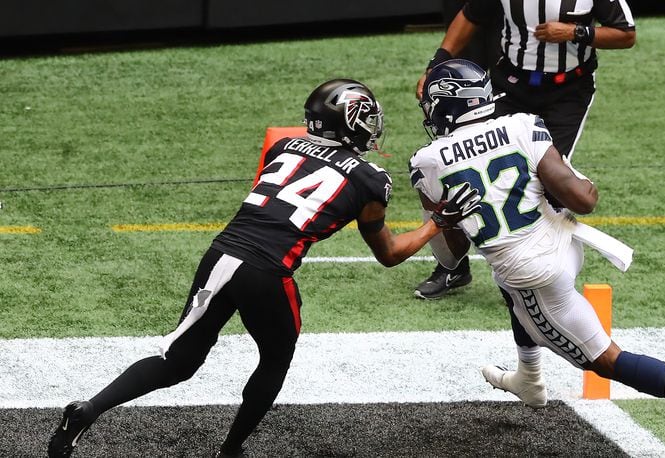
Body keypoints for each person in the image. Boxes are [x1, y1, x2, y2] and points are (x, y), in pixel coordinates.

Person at [47, 79, 481, 458]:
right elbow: (388, 253)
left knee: (177, 360)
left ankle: (89, 409)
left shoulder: (283, 146)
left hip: (221, 254)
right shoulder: (372, 179)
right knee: (275, 359)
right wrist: (436, 223)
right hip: (267, 271)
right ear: (355, 121)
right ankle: (231, 449)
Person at [409, 59, 665, 443]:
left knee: (604, 359)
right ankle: (528, 379)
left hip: (535, 273)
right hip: (566, 242)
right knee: (509, 283)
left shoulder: (427, 162)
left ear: (447, 103)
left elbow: (452, 256)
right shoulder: (520, 124)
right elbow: (584, 199)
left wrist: (444, 221)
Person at [413, 0, 636, 300]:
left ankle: (545, 265)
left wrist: (576, 32)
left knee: (552, 182)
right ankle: (451, 266)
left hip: (569, 89)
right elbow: (471, 14)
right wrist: (436, 65)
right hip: (510, 83)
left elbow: (626, 34)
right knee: (458, 169)